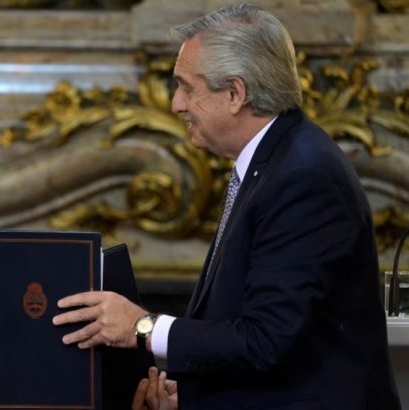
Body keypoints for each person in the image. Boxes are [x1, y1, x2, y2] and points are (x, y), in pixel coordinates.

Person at [53, 3, 401, 409]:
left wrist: (141, 327)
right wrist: (194, 395)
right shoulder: (276, 161)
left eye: (187, 88)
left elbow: (266, 339)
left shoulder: (303, 177)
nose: (176, 104)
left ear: (235, 93)